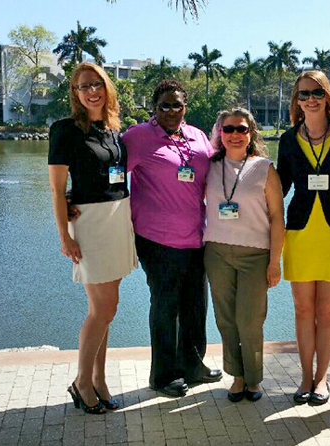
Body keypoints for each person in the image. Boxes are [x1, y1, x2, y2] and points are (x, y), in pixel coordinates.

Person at [122, 80, 222, 397]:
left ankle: (193, 365)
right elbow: (109, 171)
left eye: (177, 104)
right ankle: (163, 375)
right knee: (166, 306)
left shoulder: (197, 135)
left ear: (185, 106)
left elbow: (215, 176)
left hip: (196, 237)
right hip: (157, 239)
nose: (171, 111)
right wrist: (75, 196)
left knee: (195, 306)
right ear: (154, 107)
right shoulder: (137, 137)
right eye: (164, 105)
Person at [48, 62, 137, 414]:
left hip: (117, 221)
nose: (91, 91)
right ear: (75, 92)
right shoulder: (65, 130)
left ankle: (99, 380)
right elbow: (57, 190)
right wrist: (64, 236)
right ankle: (81, 382)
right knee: (104, 309)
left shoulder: (115, 130)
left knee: (104, 312)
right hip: (90, 224)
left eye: (97, 84)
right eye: (84, 86)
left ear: (107, 88)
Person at [276, 71, 330, 405]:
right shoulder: (288, 139)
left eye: (316, 92)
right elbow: (278, 187)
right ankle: (305, 378)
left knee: (328, 311)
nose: (310, 99)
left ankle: (322, 379)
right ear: (296, 100)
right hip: (300, 234)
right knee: (302, 309)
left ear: (327, 96)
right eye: (303, 94)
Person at [204, 108, 284, 403]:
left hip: (255, 255)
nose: (235, 134)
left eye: (241, 129)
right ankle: (237, 376)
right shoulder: (208, 167)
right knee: (226, 320)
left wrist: (275, 261)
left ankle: (254, 378)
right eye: (229, 129)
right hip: (217, 252)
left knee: (250, 321)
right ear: (220, 133)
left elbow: (277, 217)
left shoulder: (264, 168)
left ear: (251, 134)